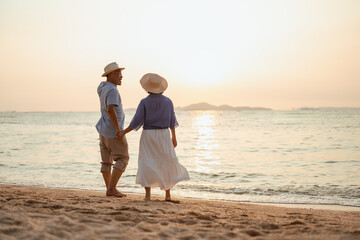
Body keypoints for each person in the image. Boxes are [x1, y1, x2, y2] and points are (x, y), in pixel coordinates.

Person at [119, 73, 190, 202]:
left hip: (149, 135)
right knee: (166, 161)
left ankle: (147, 196)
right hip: (164, 134)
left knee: (147, 161)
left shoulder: (144, 102)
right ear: (161, 87)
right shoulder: (168, 101)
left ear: (147, 88)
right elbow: (172, 120)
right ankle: (167, 195)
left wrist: (124, 132)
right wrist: (174, 136)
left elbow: (137, 121)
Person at [95, 62, 129, 198]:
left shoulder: (102, 87)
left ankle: (109, 189)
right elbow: (110, 109)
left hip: (103, 130)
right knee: (123, 158)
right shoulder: (113, 90)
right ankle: (112, 188)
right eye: (118, 73)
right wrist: (118, 129)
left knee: (106, 161)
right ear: (110, 75)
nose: (121, 76)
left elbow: (101, 88)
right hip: (112, 131)